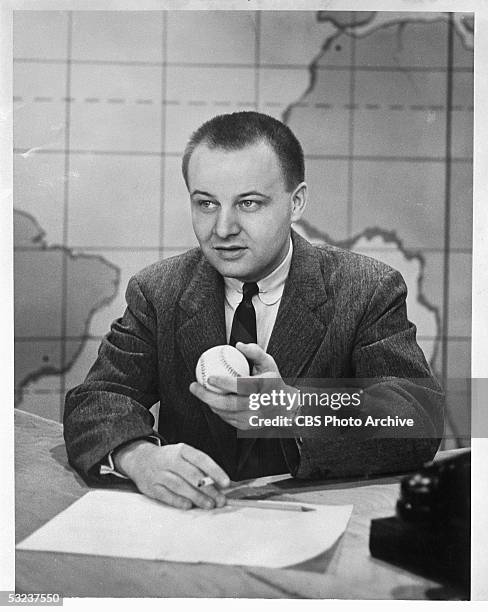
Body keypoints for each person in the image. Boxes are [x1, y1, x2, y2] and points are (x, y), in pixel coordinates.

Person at [63, 111, 444, 511]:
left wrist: (296, 410)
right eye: (206, 203)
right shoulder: (158, 291)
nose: (223, 227)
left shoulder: (367, 288)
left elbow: (417, 417)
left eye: (248, 203)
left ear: (296, 202)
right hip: (193, 524)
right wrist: (138, 457)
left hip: (315, 523)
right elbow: (98, 398)